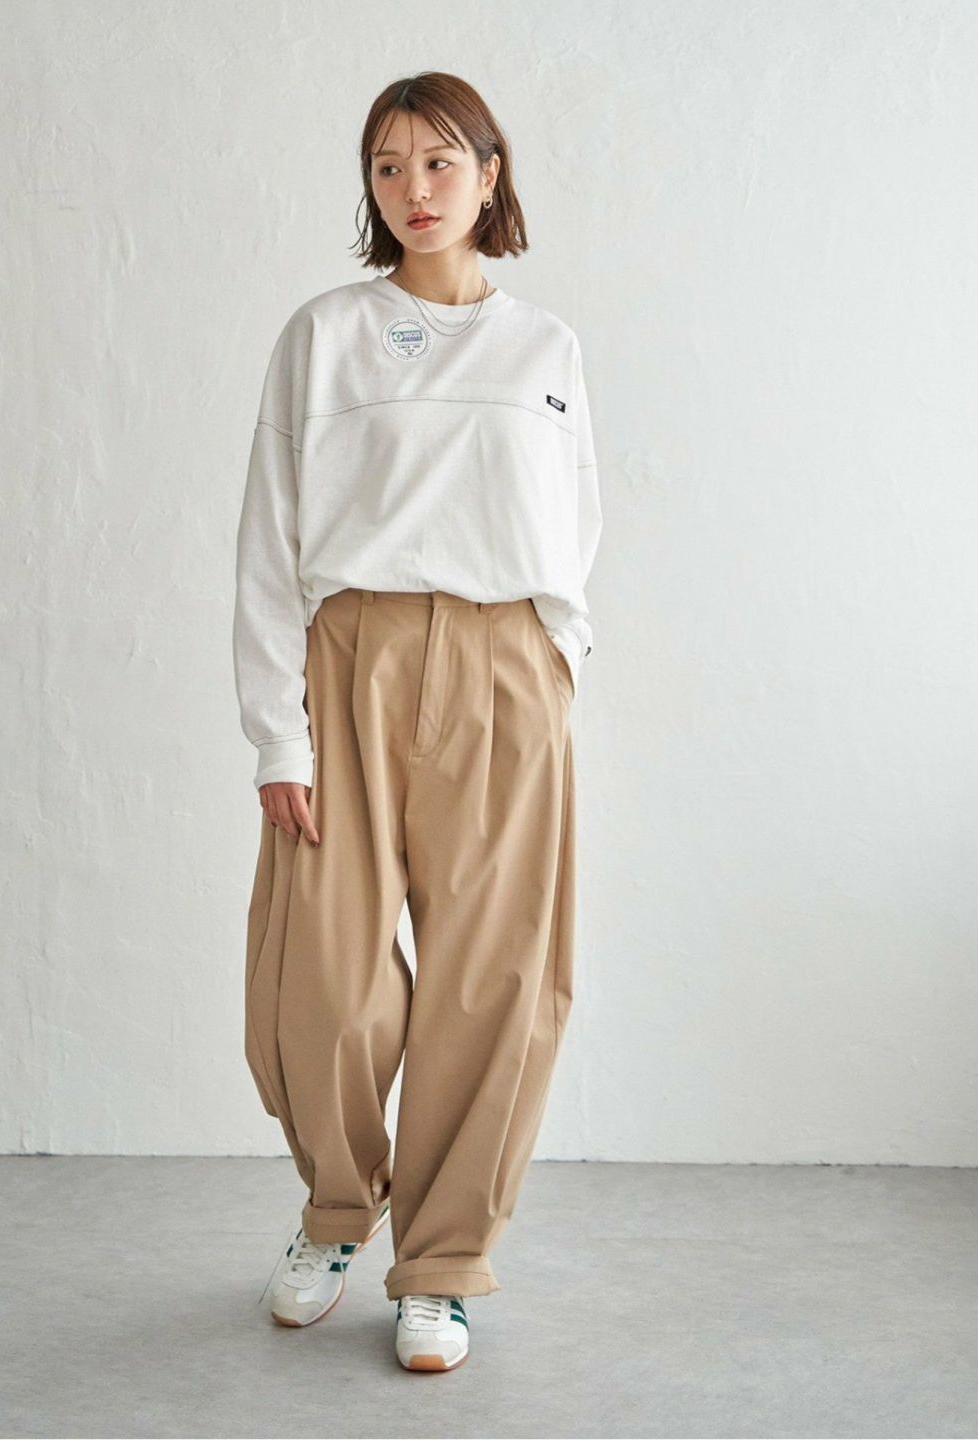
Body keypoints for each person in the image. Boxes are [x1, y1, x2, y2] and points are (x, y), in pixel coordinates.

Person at [233, 70, 602, 1374]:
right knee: (322, 976)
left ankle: (441, 1263)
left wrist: (556, 661)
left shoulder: (545, 349)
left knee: (494, 980)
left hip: (506, 667)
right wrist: (278, 734)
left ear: (490, 176)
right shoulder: (324, 335)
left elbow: (576, 524)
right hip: (354, 658)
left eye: (440, 162)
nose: (414, 189)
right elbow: (269, 543)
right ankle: (340, 1207)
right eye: (387, 166)